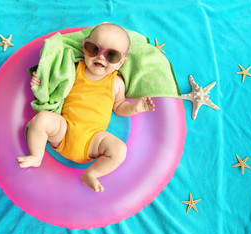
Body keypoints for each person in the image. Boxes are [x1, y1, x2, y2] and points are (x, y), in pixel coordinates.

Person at [16, 23, 155, 192]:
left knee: (119, 150)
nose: (101, 57)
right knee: (42, 119)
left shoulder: (116, 84)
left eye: (111, 55)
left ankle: (91, 173)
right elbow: (54, 85)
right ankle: (36, 155)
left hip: (93, 141)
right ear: (84, 47)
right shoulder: (73, 69)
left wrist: (135, 108)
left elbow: (119, 107)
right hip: (63, 130)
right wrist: (41, 83)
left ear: (121, 63)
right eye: (93, 49)